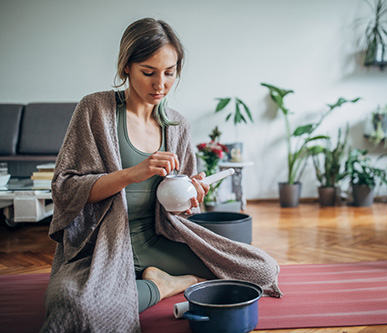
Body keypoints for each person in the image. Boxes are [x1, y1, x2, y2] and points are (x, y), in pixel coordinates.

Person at [42, 18, 281, 332]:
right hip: (102, 245)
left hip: (156, 240)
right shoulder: (95, 110)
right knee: (75, 307)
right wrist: (133, 173)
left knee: (261, 270)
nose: (160, 85)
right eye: (148, 72)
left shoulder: (176, 125)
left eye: (170, 72)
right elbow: (65, 187)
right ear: (126, 66)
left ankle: (152, 278)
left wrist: (190, 198)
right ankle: (166, 285)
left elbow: (179, 211)